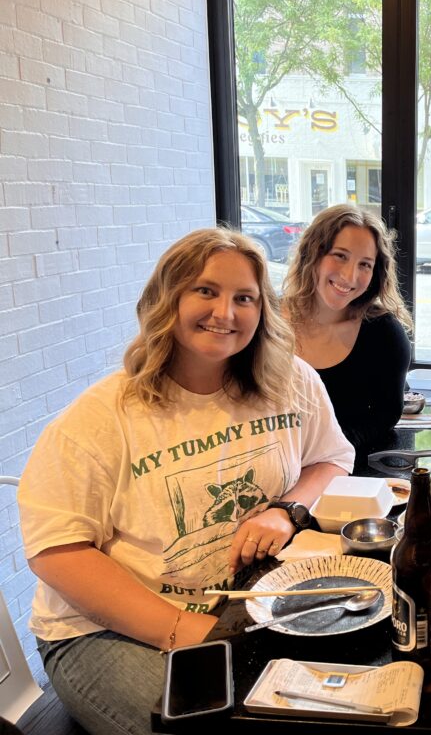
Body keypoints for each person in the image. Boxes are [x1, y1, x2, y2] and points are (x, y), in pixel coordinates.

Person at [18, 228, 355, 735]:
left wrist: (285, 510)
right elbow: (56, 551)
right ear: (166, 298)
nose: (226, 313)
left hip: (242, 608)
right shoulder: (101, 417)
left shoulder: (292, 381)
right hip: (105, 631)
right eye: (206, 291)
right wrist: (182, 629)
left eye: (245, 297)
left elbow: (330, 461)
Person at [283, 205, 412, 460]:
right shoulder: (267, 323)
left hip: (344, 468)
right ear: (313, 253)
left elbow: (385, 415)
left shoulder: (384, 334)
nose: (349, 276)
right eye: (340, 256)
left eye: (365, 264)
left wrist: (326, 453)